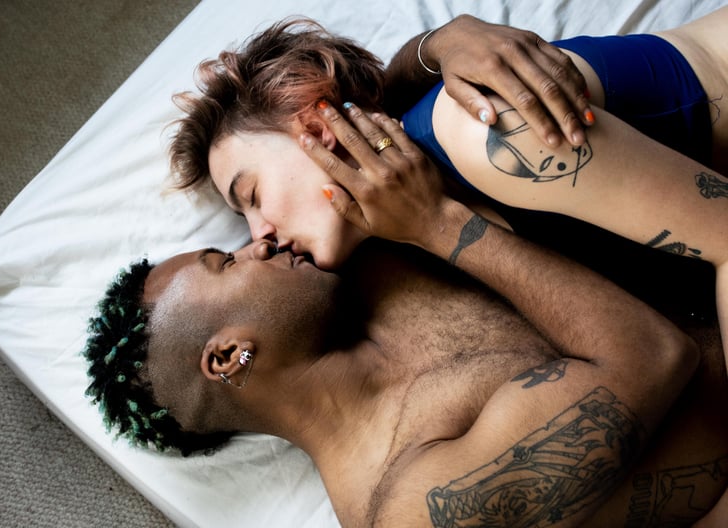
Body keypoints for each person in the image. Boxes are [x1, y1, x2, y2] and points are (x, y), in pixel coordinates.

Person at [167, 9, 728, 374]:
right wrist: (435, 43)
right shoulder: (405, 229)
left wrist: (444, 38)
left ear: (315, 129)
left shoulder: (477, 129)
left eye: (253, 195)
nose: (259, 235)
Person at [82, 221, 728, 526]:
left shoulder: (359, 273)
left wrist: (433, 49)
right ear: (228, 357)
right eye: (227, 260)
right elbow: (656, 356)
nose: (261, 239)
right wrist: (439, 221)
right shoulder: (412, 503)